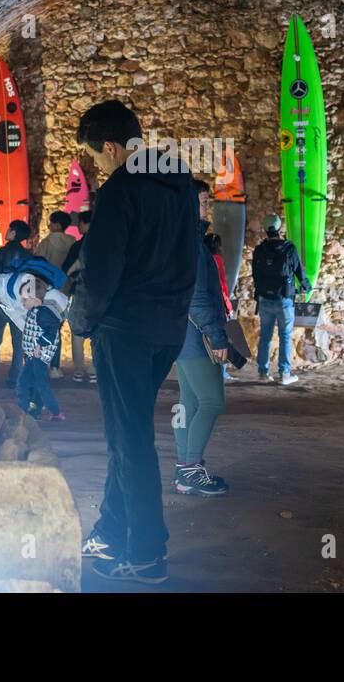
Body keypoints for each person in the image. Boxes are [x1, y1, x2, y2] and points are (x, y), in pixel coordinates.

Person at [69, 100, 199, 585]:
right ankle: (110, 529)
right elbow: (193, 255)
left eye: (95, 158)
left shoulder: (122, 190)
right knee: (127, 435)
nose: (97, 168)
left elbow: (99, 272)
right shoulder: (179, 183)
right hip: (167, 328)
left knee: (130, 440)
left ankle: (147, 553)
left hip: (125, 331)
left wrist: (80, 323)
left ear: (110, 147)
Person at [172, 180, 230, 497]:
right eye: (203, 201)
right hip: (196, 338)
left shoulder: (185, 240)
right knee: (211, 402)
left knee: (189, 402)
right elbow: (196, 297)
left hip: (182, 336)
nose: (209, 207)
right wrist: (216, 335)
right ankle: (191, 469)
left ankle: (185, 470)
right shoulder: (192, 244)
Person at [0, 262, 68, 421]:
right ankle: (32, 409)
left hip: (42, 336)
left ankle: (45, 410)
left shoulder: (15, 285)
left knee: (34, 378)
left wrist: (41, 340)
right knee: (30, 378)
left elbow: (40, 307)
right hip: (35, 338)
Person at [250, 214, 308, 385]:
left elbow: (255, 274)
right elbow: (298, 270)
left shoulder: (260, 249)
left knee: (265, 336)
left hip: (265, 299)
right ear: (279, 227)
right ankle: (284, 373)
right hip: (284, 299)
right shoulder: (288, 248)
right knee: (285, 336)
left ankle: (263, 372)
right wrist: (306, 285)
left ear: (265, 229)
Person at [0, 219, 32, 385]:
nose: (7, 231)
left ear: (13, 233)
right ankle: (15, 378)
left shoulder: (0, 253)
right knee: (18, 342)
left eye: (9, 229)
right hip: (19, 304)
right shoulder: (28, 255)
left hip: (2, 303)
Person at [35, 211, 76, 379]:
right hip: (66, 289)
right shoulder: (73, 242)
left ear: (57, 225)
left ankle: (43, 364)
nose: (49, 226)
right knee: (58, 327)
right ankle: (55, 367)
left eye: (51, 223)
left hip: (48, 289)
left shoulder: (46, 242)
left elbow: (37, 263)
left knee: (45, 327)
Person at [62, 209, 95, 384]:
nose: (79, 226)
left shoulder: (77, 246)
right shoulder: (105, 244)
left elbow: (66, 269)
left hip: (78, 292)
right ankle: (95, 369)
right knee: (97, 332)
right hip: (99, 294)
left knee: (77, 332)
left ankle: (79, 370)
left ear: (86, 224)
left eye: (81, 223)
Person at [204, 231, 237, 383]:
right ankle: (222, 372)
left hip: (204, 303)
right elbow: (222, 285)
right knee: (223, 337)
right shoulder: (216, 259)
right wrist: (228, 307)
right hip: (217, 304)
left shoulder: (201, 257)